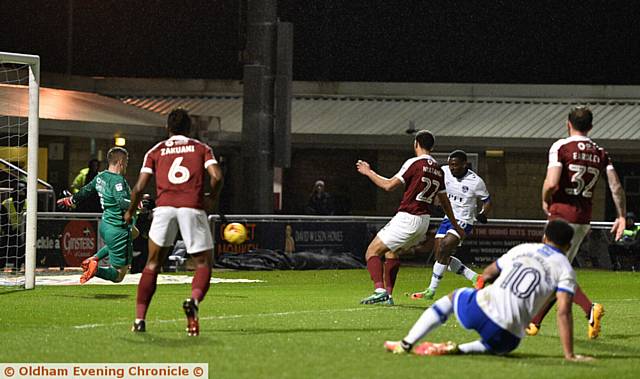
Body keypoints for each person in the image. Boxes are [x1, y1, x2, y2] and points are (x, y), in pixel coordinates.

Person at [384, 220, 592, 362]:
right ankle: (459, 349)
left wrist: (483, 289)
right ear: (568, 246)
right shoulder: (565, 268)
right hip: (508, 338)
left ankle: (406, 343)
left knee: (453, 298)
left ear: (545, 237)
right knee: (495, 345)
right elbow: (563, 311)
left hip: (481, 310)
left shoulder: (525, 248)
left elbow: (489, 273)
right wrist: (569, 354)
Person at [526, 106, 627, 339]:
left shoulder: (561, 146)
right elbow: (616, 186)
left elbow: (551, 183)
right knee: (557, 271)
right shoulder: (600, 152)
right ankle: (535, 322)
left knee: (553, 271)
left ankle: (589, 308)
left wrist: (544, 200)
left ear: (567, 123)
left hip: (561, 216)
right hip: (583, 220)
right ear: (591, 126)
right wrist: (621, 215)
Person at [124, 108, 223, 336]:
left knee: (152, 264)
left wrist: (130, 212)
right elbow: (217, 176)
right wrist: (212, 198)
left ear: (168, 128)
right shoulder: (201, 148)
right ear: (190, 129)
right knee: (202, 264)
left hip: (164, 208)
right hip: (191, 207)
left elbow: (139, 187)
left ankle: (139, 320)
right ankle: (194, 301)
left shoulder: (156, 150)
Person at [356, 130, 464, 305]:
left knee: (372, 251)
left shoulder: (414, 163)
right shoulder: (438, 169)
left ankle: (379, 290)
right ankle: (388, 297)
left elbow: (389, 185)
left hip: (408, 216)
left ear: (416, 143)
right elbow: (445, 202)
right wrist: (456, 226)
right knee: (391, 251)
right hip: (423, 221)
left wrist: (368, 172)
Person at [410, 150, 492, 300]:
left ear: (464, 164)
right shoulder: (444, 171)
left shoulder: (476, 181)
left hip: (464, 221)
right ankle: (475, 277)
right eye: (450, 165)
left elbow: (487, 201)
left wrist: (482, 214)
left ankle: (431, 290)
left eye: (455, 165)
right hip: (448, 218)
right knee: (441, 256)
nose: (452, 168)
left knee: (444, 247)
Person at [57, 147, 136, 284]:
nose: (127, 164)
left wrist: (70, 200)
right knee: (118, 275)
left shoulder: (100, 177)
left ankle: (93, 259)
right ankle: (96, 269)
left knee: (134, 233)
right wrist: (138, 203)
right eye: (127, 161)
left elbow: (85, 191)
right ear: (121, 161)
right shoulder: (118, 181)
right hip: (118, 228)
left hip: (106, 224)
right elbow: (122, 202)